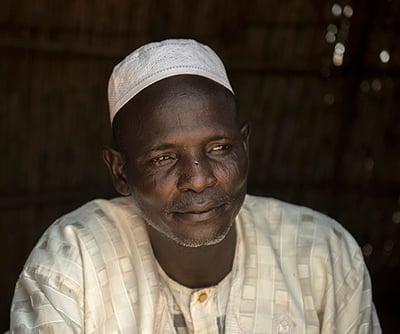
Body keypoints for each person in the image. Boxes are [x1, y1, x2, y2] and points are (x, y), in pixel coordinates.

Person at [8, 39, 381, 333]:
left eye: (219, 148)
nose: (199, 179)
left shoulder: (323, 256)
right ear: (121, 171)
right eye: (163, 158)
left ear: (245, 146)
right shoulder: (74, 266)